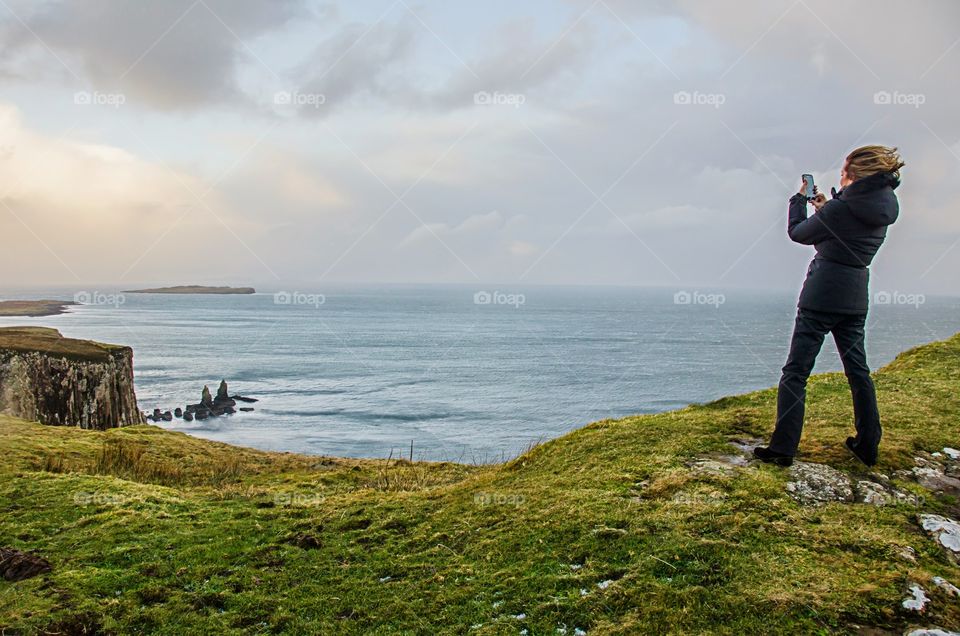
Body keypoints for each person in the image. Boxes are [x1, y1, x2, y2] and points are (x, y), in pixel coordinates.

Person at [754, 145, 905, 468]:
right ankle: (867, 444)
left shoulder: (840, 209)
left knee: (796, 372)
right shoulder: (884, 206)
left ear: (852, 174)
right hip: (855, 296)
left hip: (821, 296)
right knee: (858, 372)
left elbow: (799, 234)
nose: (840, 175)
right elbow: (847, 239)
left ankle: (782, 448)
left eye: (843, 171)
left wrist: (798, 201)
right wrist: (827, 208)